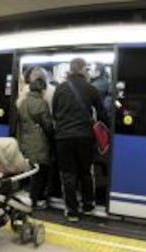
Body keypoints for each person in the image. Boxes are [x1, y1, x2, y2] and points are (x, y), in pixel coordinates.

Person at [52, 58, 109, 222]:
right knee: (85, 172)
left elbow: (55, 113)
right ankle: (88, 205)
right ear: (83, 70)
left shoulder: (60, 88)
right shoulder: (91, 89)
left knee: (68, 175)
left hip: (63, 137)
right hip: (84, 136)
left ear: (71, 69)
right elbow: (102, 115)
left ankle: (72, 212)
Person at [17, 72, 53, 209]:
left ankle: (31, 197)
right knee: (40, 173)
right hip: (39, 143)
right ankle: (35, 200)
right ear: (42, 90)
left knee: (32, 171)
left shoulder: (23, 103)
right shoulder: (41, 104)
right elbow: (48, 126)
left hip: (26, 142)